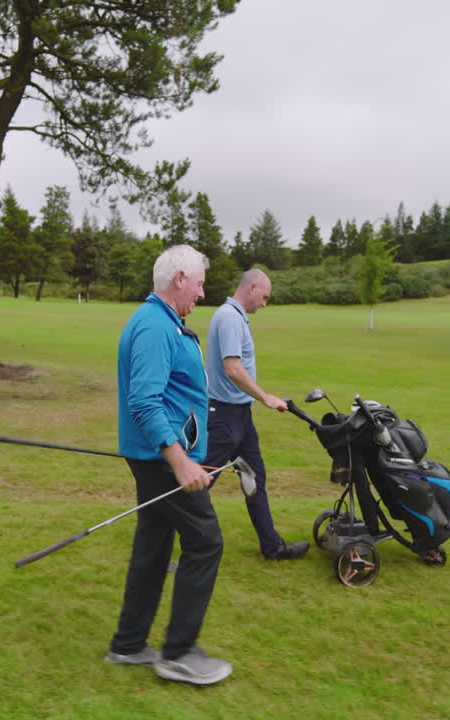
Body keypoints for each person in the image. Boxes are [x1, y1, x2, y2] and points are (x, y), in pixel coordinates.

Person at [105, 244, 232, 686]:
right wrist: (180, 461)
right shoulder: (156, 326)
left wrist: (190, 455)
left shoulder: (161, 321)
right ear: (179, 279)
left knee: (153, 547)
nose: (201, 293)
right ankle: (178, 653)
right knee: (206, 542)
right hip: (160, 458)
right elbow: (143, 400)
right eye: (198, 284)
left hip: (155, 456)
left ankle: (128, 644)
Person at [205, 269, 310, 560]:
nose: (264, 303)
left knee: (255, 477)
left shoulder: (235, 317)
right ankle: (161, 549)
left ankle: (272, 546)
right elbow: (232, 368)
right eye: (264, 297)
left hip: (240, 417)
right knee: (198, 484)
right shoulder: (228, 317)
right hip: (224, 418)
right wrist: (265, 396)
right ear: (251, 288)